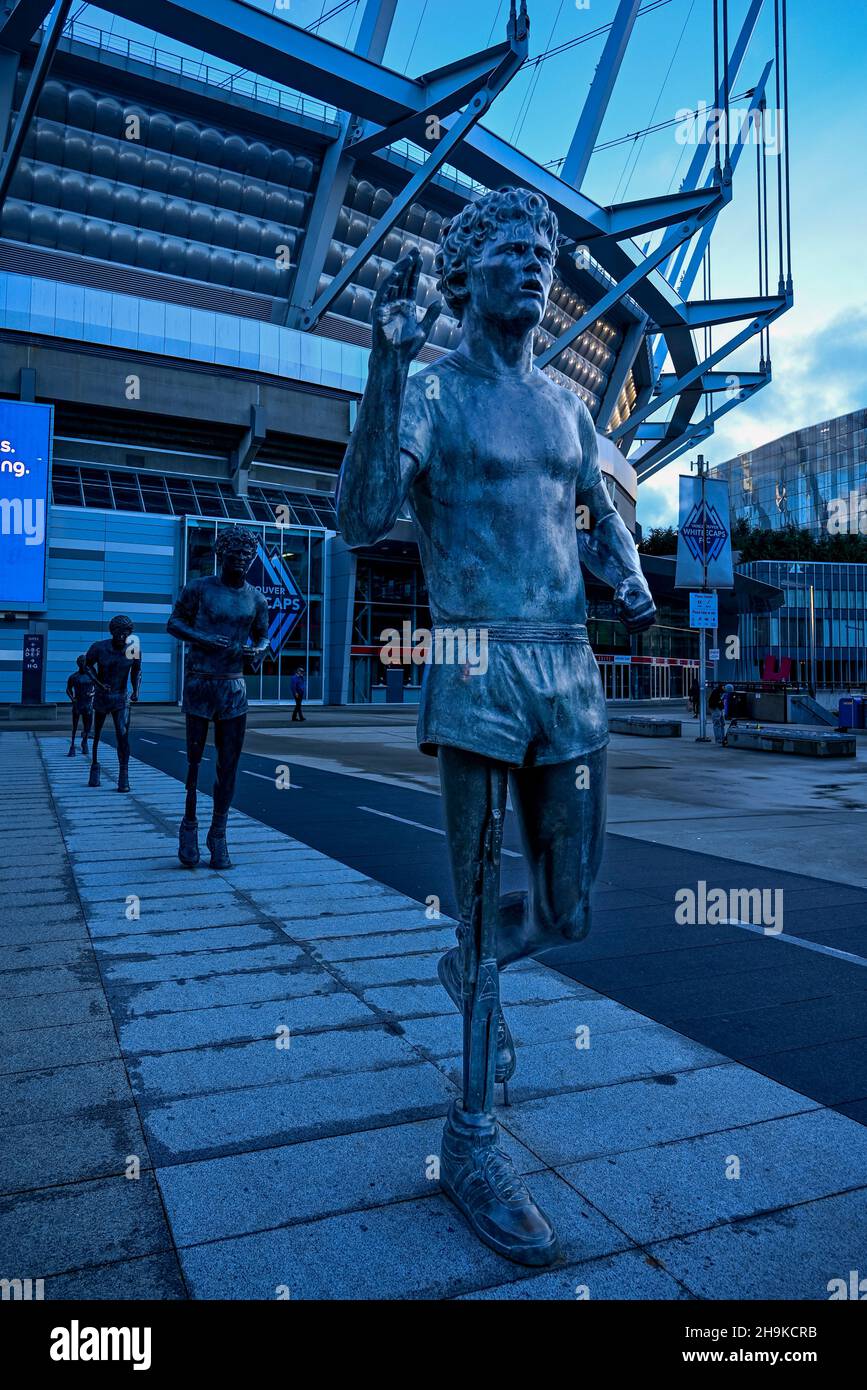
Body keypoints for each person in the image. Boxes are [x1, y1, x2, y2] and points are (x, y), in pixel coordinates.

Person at [337, 186, 656, 1266]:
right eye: (511, 249)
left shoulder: (570, 410)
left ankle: (475, 964)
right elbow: (364, 511)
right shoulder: (431, 392)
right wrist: (386, 360)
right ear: (467, 270)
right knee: (481, 914)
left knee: (567, 911)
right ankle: (471, 1136)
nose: (534, 265)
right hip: (475, 659)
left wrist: (627, 570)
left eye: (544, 252)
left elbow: (596, 515)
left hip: (566, 670)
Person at [167, 526, 270, 869]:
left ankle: (219, 832)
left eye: (245, 555)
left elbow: (264, 637)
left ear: (252, 558)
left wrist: (257, 651)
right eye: (233, 554)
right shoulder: (198, 588)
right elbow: (174, 623)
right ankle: (189, 826)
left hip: (233, 686)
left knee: (229, 765)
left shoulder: (257, 599)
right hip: (200, 682)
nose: (239, 559)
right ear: (220, 554)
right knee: (194, 763)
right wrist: (205, 638)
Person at [85, 616, 141, 791]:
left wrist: (136, 690)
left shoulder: (132, 648)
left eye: (126, 632)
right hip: (102, 696)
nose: (122, 635)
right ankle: (94, 765)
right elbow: (87, 666)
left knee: (122, 735)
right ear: (112, 631)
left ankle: (123, 775)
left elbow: (136, 671)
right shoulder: (99, 647)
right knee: (97, 734)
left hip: (121, 698)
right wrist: (98, 683)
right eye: (118, 631)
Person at [65, 654, 94, 757]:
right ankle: (72, 745)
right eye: (81, 662)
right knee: (75, 726)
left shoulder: (91, 676)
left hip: (88, 704)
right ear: (78, 663)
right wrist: (72, 699)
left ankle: (84, 742)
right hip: (78, 703)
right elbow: (68, 689)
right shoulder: (74, 677)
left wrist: (92, 694)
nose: (83, 664)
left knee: (87, 727)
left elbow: (98, 688)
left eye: (84, 662)